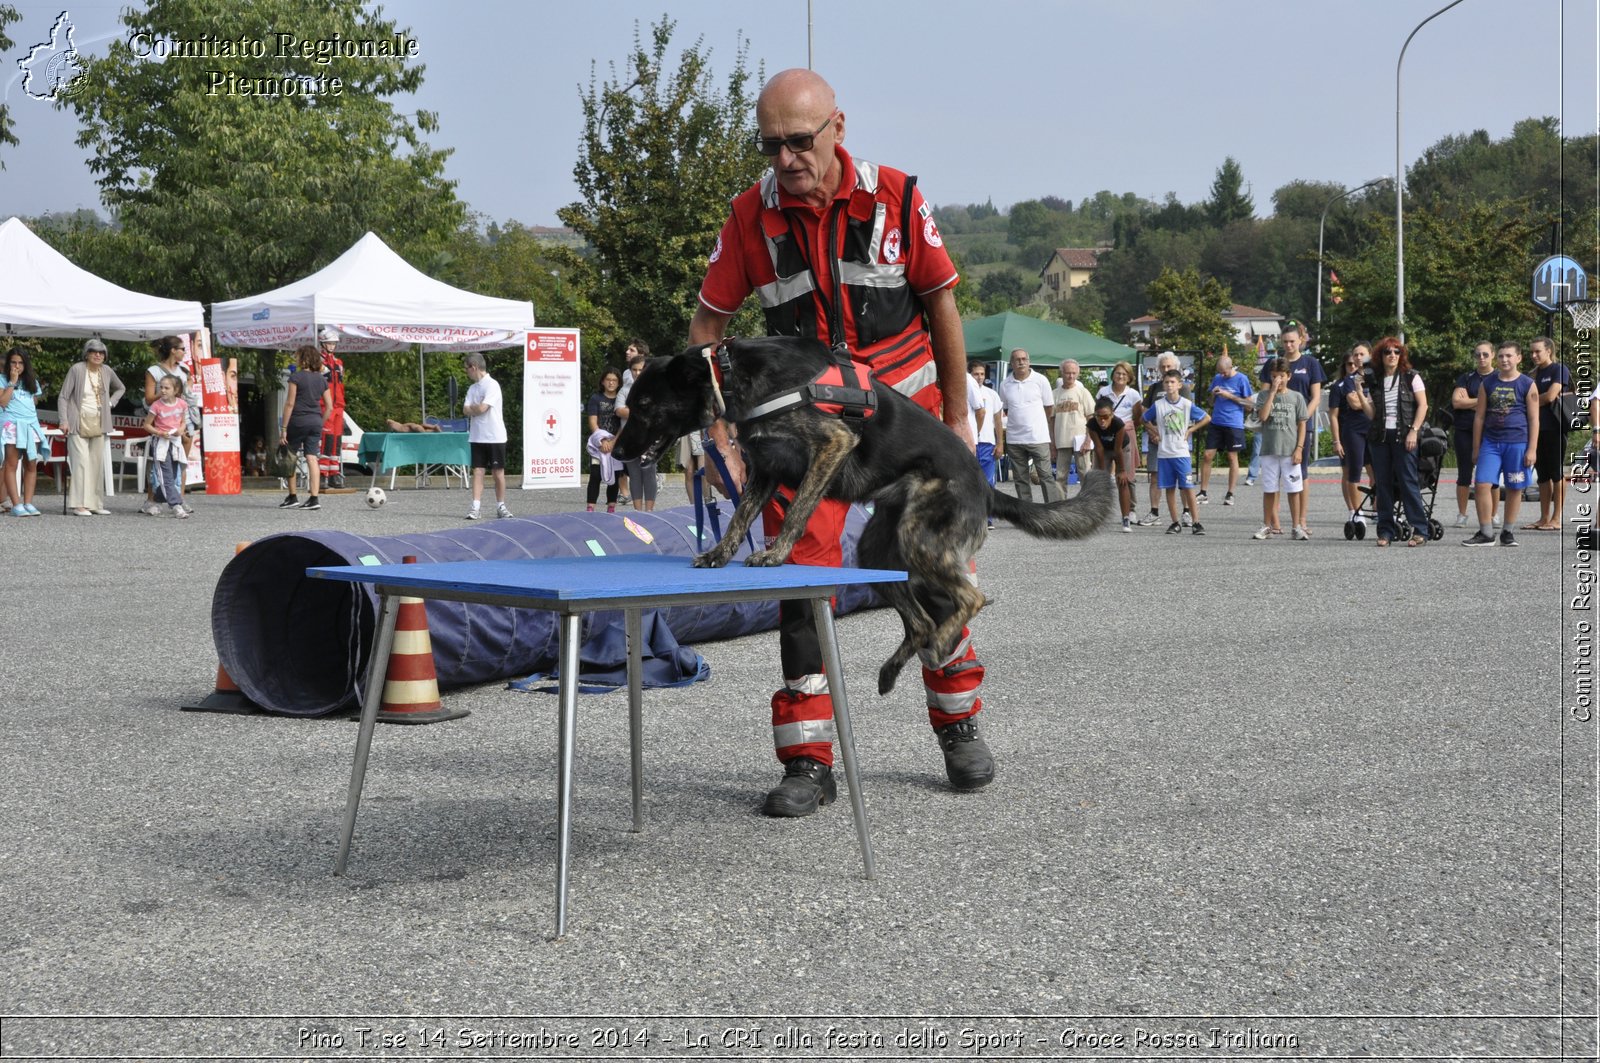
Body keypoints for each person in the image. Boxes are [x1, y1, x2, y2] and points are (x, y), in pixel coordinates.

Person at [687, 67, 990, 817]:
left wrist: (956, 417)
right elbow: (706, 330)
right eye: (770, 146)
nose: (786, 158)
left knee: (932, 572)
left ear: (838, 128)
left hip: (904, 421)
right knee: (795, 581)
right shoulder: (747, 219)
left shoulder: (897, 197)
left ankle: (958, 724)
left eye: (799, 140)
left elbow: (941, 303)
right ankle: (808, 761)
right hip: (804, 431)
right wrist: (719, 431)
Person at [1350, 337, 1430, 547]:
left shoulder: (1412, 376)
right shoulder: (1374, 380)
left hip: (1404, 436)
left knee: (1408, 482)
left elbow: (1423, 406)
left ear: (1401, 355)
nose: (1392, 355)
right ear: (1380, 356)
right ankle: (1386, 531)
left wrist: (1414, 431)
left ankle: (1420, 529)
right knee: (1382, 485)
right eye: (1387, 352)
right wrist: (1359, 391)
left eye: (1396, 351)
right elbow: (1371, 414)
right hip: (1380, 437)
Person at [1464, 341, 1538, 546]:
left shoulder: (1526, 383)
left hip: (1517, 443)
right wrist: (1476, 447)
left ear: (1518, 358)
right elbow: (1479, 416)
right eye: (1502, 356)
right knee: (1481, 484)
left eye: (1509, 356)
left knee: (1515, 487)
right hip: (1491, 442)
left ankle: (1507, 532)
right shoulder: (1487, 383)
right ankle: (1486, 532)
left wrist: (1532, 448)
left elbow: (1534, 419)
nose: (1505, 360)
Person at [58, 338, 125, 517]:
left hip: (99, 422)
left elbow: (121, 388)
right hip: (77, 421)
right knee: (81, 462)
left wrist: (111, 402)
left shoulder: (107, 371)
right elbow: (63, 397)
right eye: (94, 351)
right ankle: (79, 504)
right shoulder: (77, 369)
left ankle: (95, 503)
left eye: (101, 352)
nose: (98, 355)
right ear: (86, 354)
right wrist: (63, 420)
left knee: (96, 463)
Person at [1141, 367, 1209, 534]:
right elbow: (1143, 418)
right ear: (1163, 385)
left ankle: (1196, 522)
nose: (1169, 385)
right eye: (1166, 382)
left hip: (1181, 453)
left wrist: (1191, 430)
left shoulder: (1186, 404)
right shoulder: (1158, 405)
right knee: (1169, 488)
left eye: (1172, 382)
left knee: (1188, 487)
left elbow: (1207, 417)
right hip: (1165, 454)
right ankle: (1175, 522)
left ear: (1179, 385)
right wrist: (1154, 430)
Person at [1251, 358, 1308, 540]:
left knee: (1293, 489)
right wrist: (1273, 392)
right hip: (1269, 449)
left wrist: (1299, 448)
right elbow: (1264, 416)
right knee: (1269, 489)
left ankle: (1296, 526)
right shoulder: (1263, 395)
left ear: (1288, 376)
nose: (1278, 380)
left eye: (1282, 376)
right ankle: (1267, 525)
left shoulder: (1296, 397)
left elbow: (1302, 424)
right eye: (1275, 376)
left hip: (1289, 450)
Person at [1278, 320, 1325, 536]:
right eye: (1285, 342)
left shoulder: (1310, 363)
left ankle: (1301, 520)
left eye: (1292, 342)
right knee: (1276, 472)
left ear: (1300, 341)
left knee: (1301, 471)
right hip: (1279, 425)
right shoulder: (1276, 364)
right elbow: (1266, 392)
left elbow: (1315, 396)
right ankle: (1273, 520)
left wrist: (1303, 416)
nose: (1289, 346)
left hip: (1302, 424)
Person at [1446, 342, 1499, 528]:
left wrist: (1470, 400)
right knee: (1464, 473)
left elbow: (1499, 403)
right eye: (1478, 354)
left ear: (1493, 354)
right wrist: (1483, 400)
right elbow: (1456, 403)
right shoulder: (1466, 377)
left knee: (1491, 475)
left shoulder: (1499, 378)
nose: (1481, 358)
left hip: (1491, 430)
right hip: (1465, 429)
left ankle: (1493, 515)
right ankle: (1462, 514)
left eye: (1485, 354)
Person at [139, 335, 190, 516]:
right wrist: (165, 395)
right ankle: (154, 500)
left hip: (182, 420)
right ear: (172, 350)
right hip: (161, 421)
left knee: (180, 464)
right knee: (160, 466)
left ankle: (179, 498)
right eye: (182, 349)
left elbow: (188, 396)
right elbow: (149, 397)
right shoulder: (154, 370)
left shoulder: (184, 370)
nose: (184, 352)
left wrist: (188, 424)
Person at [999, 348, 1058, 503]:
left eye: (1024, 359)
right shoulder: (1005, 384)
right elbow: (1006, 409)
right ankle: (1027, 514)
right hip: (1014, 439)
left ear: (1029, 361)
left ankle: (1055, 510)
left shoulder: (1041, 380)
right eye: (1017, 359)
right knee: (1020, 479)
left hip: (1038, 437)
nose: (1021, 362)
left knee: (1045, 475)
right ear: (1011, 363)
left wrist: (1037, 423)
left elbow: (1049, 407)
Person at [278, 344, 330, 511]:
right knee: (312, 457)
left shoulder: (296, 377)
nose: (296, 359)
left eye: (298, 356)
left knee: (290, 457)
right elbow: (329, 406)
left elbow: (290, 403)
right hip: (315, 421)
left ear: (304, 359)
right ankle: (314, 498)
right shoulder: (322, 379)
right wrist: (320, 422)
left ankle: (292, 496)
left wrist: (284, 428)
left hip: (298, 421)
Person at [1137, 352, 1187, 525]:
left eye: (1169, 366)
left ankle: (1186, 512)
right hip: (1156, 440)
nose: (1166, 369)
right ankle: (1154, 512)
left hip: (1176, 442)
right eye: (1163, 367)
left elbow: (1187, 414)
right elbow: (1144, 412)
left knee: (1182, 480)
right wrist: (1153, 432)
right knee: (1155, 476)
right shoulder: (1154, 388)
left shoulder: (1183, 388)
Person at [1327, 346, 1374, 529]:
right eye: (1350, 362)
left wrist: (1368, 401)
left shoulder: (1375, 377)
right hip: (1351, 431)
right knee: (1351, 472)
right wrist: (1336, 440)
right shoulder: (1343, 384)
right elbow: (1351, 406)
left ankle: (1377, 508)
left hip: (1371, 429)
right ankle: (1354, 511)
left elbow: (1381, 400)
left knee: (1375, 472)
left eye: (1361, 356)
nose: (1354, 364)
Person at [462, 352, 511, 520]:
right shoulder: (472, 388)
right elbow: (465, 409)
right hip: (477, 436)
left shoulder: (492, 385)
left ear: (474, 367)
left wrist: (474, 409)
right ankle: (475, 507)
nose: (466, 372)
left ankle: (501, 506)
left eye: (466, 369)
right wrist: (476, 408)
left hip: (494, 436)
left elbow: (482, 408)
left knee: (498, 473)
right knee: (478, 471)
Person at [1199, 353, 1253, 506]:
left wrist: (1229, 396)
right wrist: (1213, 395)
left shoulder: (1242, 379)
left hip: (1234, 423)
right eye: (1220, 372)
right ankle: (1203, 492)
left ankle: (1230, 493)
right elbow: (1210, 403)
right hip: (1216, 421)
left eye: (1224, 372)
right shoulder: (1217, 378)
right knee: (1207, 455)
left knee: (1231, 457)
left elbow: (1249, 405)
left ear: (1231, 367)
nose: (1222, 375)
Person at [1528, 335, 1569, 531]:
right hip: (1536, 429)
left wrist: (1533, 399)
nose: (1534, 355)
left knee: (1555, 472)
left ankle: (1556, 518)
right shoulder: (1531, 374)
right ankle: (1543, 517)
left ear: (1548, 351)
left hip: (1555, 427)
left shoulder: (1559, 369)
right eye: (1532, 352)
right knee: (1542, 475)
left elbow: (1552, 395)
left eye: (1538, 351)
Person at [1, 347, 47, 517]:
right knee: (11, 464)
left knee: (31, 464)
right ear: (8, 364)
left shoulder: (32, 382)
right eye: (13, 362)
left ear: (25, 365)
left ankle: (28, 502)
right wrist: (12, 382)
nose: (17, 366)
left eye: (20, 363)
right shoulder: (2, 379)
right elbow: (3, 402)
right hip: (12, 425)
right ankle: (16, 504)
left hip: (30, 425)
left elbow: (33, 402)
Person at [614, 345, 659, 512]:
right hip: (630, 438)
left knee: (649, 471)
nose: (638, 373)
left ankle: (650, 511)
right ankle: (638, 511)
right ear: (630, 370)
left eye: (641, 370)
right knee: (634, 474)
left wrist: (633, 412)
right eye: (634, 370)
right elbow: (619, 410)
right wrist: (640, 412)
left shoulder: (654, 389)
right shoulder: (624, 391)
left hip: (648, 437)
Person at [1089, 395, 1136, 531]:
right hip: (1103, 450)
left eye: (1106, 417)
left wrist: (1121, 470)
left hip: (1121, 448)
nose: (1102, 421)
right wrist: (1103, 474)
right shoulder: (1091, 424)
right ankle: (1097, 519)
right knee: (1099, 483)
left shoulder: (1118, 424)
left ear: (1112, 414)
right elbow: (1098, 448)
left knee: (1122, 481)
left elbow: (1117, 449)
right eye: (1099, 417)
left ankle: (1126, 518)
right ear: (1095, 415)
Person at [967, 360, 1003, 527]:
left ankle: (987, 516)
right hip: (971, 441)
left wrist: (1000, 442)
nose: (979, 377)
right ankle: (972, 516)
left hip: (987, 442)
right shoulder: (965, 390)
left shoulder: (992, 394)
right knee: (970, 480)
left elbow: (997, 420)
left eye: (982, 374)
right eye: (976, 374)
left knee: (988, 480)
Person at [1052, 358, 1095, 494]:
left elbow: (1091, 417)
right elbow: (1051, 420)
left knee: (1085, 474)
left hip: (1081, 440)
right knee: (1060, 476)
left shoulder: (1083, 392)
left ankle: (1088, 505)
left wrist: (1089, 439)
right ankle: (1060, 507)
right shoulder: (1055, 394)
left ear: (1077, 374)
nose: (1070, 376)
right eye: (1067, 373)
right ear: (1062, 373)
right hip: (1061, 440)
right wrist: (1052, 443)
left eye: (1073, 373)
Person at [584, 368, 623, 513]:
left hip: (616, 442)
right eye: (608, 380)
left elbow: (623, 423)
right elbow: (593, 422)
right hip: (598, 443)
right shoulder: (596, 398)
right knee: (595, 475)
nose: (611, 383)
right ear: (603, 381)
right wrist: (602, 440)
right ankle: (590, 508)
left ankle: (611, 507)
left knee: (615, 475)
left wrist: (613, 442)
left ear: (618, 383)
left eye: (614, 380)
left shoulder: (622, 399)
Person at [317, 328, 348, 489]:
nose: (332, 346)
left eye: (334, 343)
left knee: (336, 440)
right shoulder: (318, 362)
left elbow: (341, 386)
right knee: (326, 440)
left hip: (339, 405)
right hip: (325, 405)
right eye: (329, 343)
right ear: (322, 343)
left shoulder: (338, 363)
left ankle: (334, 474)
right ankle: (322, 474)